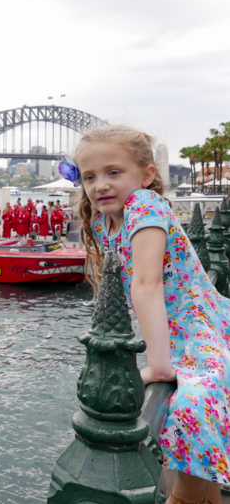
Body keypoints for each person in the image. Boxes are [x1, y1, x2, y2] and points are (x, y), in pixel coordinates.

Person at [71, 124, 230, 504]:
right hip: (178, 331)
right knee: (194, 430)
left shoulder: (145, 206)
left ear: (146, 175)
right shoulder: (104, 221)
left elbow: (146, 285)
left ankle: (185, 495)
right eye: (89, 177)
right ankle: (203, 493)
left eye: (113, 172)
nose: (100, 186)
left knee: (192, 406)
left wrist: (158, 368)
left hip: (200, 326)